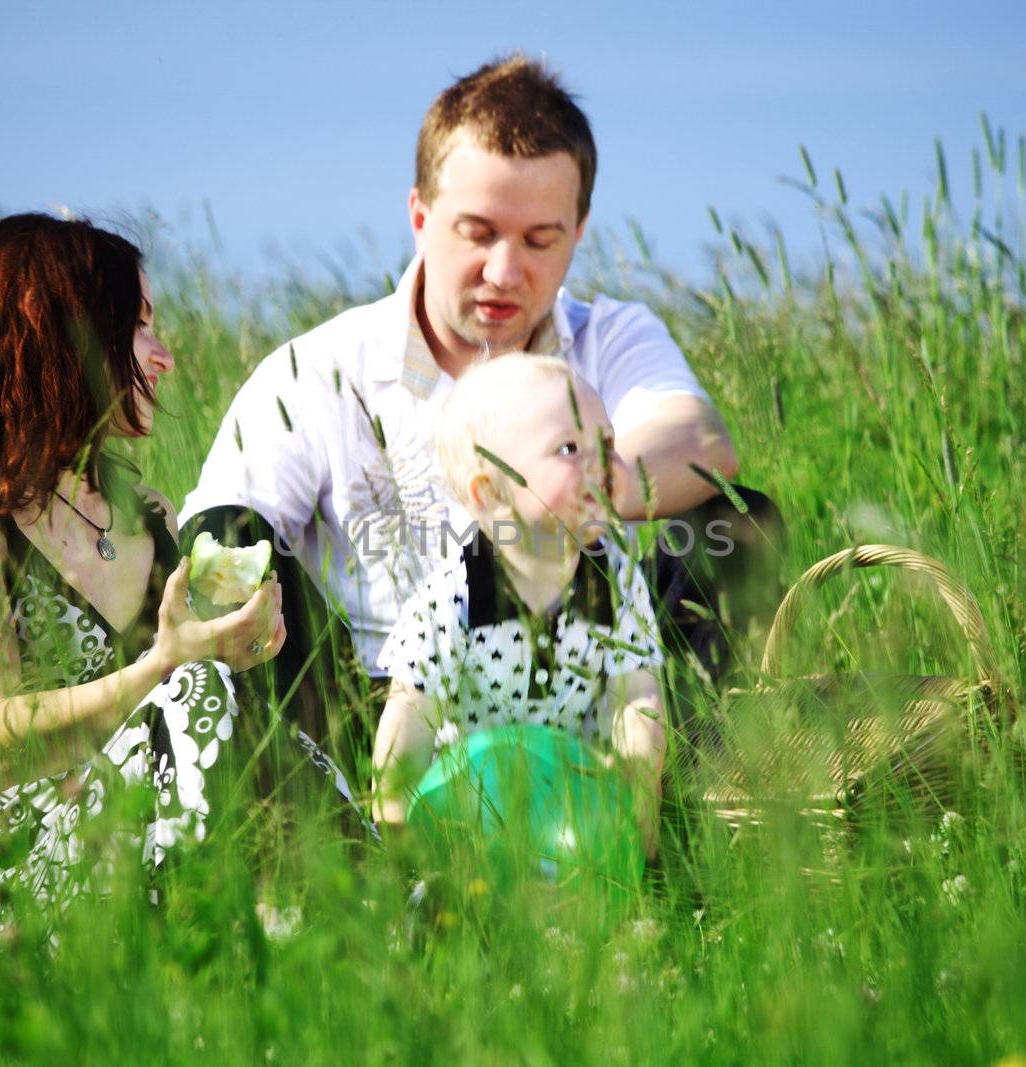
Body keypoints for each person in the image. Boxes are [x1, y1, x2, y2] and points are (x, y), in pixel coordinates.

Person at [181, 55, 782, 772]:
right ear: (420, 217)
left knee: (736, 522)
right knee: (230, 550)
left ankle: (666, 804)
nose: (504, 271)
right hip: (372, 701)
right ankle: (334, 823)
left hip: (583, 687)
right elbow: (215, 532)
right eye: (477, 231)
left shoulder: (612, 336)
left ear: (579, 231)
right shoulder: (320, 368)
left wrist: (570, 486)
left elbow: (703, 441)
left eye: (538, 240)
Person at [0, 213, 360, 930]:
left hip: (165, 830)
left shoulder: (148, 514)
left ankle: (357, 918)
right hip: (24, 867)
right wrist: (167, 666)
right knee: (195, 688)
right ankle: (270, 930)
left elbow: (217, 714)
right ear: (59, 338)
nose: (163, 356)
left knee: (243, 697)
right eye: (138, 326)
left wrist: (245, 646)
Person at [371, 357, 666, 854]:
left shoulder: (615, 581)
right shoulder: (454, 597)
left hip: (582, 801)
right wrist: (394, 808)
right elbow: (411, 708)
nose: (601, 465)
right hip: (473, 806)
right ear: (490, 494)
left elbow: (635, 693)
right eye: (569, 449)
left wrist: (639, 774)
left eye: (608, 445)